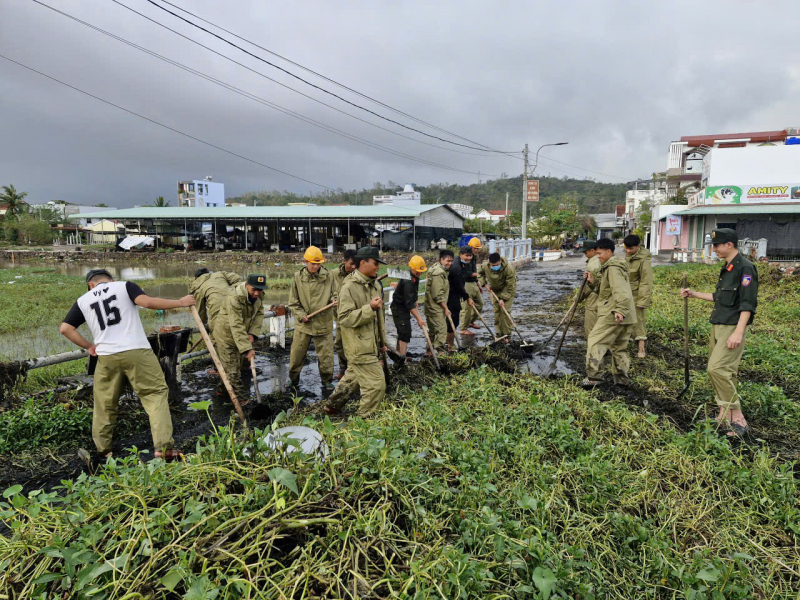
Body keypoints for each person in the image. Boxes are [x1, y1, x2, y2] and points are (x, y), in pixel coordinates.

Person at [59, 269, 194, 460]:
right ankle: (163, 449)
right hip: (137, 350)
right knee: (154, 394)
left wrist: (90, 346)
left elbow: (65, 328)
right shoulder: (124, 286)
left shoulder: (83, 299)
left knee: (105, 403)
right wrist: (181, 302)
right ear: (111, 280)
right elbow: (147, 302)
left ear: (90, 284)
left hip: (106, 356)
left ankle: (104, 451)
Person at [681, 228, 757, 437]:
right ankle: (724, 414)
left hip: (732, 327)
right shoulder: (728, 268)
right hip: (718, 324)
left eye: (716, 245)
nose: (714, 250)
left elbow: (747, 305)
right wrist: (694, 294)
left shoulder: (746, 268)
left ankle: (738, 417)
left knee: (717, 369)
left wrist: (738, 332)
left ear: (729, 245)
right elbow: (720, 297)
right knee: (726, 371)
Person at [324, 246, 388, 417]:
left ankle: (331, 406)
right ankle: (365, 420)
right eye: (375, 263)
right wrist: (369, 309)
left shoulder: (374, 285)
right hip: (359, 346)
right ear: (363, 263)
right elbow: (344, 318)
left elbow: (379, 318)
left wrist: (382, 343)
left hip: (370, 344)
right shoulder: (349, 287)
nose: (377, 267)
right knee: (376, 385)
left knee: (353, 377)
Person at [582, 238, 637, 389]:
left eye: (599, 253)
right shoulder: (610, 267)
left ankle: (594, 377)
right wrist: (592, 281)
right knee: (619, 347)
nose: (597, 256)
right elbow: (605, 292)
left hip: (614, 313)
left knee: (594, 340)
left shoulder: (612, 268)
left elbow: (621, 291)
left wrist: (620, 310)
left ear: (609, 252)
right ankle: (622, 380)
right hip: (627, 314)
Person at [287, 246, 337, 391]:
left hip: (323, 323)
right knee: (296, 355)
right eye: (312, 263)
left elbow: (336, 293)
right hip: (304, 325)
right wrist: (301, 315)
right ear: (306, 262)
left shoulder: (329, 276)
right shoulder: (297, 278)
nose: (315, 266)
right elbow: (293, 302)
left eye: (318, 263)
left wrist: (335, 300)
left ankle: (327, 381)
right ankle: (293, 380)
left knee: (326, 356)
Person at [211, 274, 267, 402]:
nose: (257, 293)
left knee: (239, 367)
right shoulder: (234, 298)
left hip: (242, 334)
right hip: (226, 336)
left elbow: (259, 313)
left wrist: (252, 333)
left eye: (260, 290)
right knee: (233, 371)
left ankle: (222, 390)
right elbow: (235, 324)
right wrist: (248, 349)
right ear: (247, 285)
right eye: (254, 290)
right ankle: (242, 401)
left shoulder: (258, 296)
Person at [390, 255, 427, 359]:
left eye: (421, 271)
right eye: (417, 271)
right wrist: (419, 319)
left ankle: (398, 354)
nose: (419, 273)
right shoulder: (408, 281)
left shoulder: (415, 277)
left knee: (403, 331)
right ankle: (402, 358)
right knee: (405, 332)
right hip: (399, 308)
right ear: (411, 268)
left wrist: (414, 299)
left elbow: (411, 295)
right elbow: (409, 304)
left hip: (404, 306)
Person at [623, 234, 654, 358]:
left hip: (637, 294)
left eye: (631, 248)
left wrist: (643, 301)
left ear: (638, 246)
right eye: (626, 248)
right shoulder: (627, 257)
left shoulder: (643, 260)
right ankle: (627, 341)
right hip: (625, 294)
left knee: (639, 320)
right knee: (624, 318)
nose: (628, 251)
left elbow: (646, 281)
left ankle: (641, 348)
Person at [478, 252, 517, 343]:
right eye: (492, 265)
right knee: (497, 312)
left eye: (496, 265)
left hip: (508, 290)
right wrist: (484, 284)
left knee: (505, 312)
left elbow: (510, 285)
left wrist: (503, 298)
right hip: (494, 291)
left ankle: (507, 335)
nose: (494, 267)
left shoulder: (509, 268)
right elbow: (479, 274)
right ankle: (499, 334)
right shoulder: (485, 266)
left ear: (500, 261)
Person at [333, 249, 357, 380]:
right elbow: (329, 290)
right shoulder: (334, 275)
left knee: (354, 345)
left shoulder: (358, 275)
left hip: (354, 316)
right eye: (351, 264)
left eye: (356, 264)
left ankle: (354, 370)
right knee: (339, 343)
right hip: (339, 317)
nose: (353, 267)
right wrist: (333, 298)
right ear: (344, 262)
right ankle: (343, 368)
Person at [424, 249, 453, 353]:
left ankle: (428, 352)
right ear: (441, 259)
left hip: (430, 306)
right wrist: (445, 308)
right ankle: (441, 353)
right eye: (447, 261)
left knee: (432, 331)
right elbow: (437, 294)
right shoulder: (438, 272)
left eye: (451, 261)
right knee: (441, 330)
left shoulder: (435, 268)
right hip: (435, 307)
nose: (450, 263)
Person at [448, 246, 475, 345]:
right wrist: (467, 297)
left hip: (456, 293)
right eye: (466, 256)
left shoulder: (464, 262)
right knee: (453, 320)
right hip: (451, 294)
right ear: (460, 255)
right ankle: (450, 345)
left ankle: (449, 343)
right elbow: (459, 285)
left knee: (454, 320)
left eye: (470, 255)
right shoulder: (456, 267)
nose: (469, 258)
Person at [459, 238, 485, 335]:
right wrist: (478, 274)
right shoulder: (464, 257)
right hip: (465, 283)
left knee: (480, 304)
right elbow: (466, 273)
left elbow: (473, 270)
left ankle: (470, 322)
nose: (476, 250)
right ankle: (463, 328)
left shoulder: (473, 257)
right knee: (467, 307)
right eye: (475, 248)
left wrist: (478, 284)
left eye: (477, 248)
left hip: (473, 283)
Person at [577, 241, 602, 338]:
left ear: (592, 251)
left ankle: (593, 351)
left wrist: (578, 298)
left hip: (594, 297)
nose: (585, 255)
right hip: (601, 297)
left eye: (585, 253)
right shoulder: (598, 260)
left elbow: (587, 286)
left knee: (591, 326)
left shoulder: (593, 265)